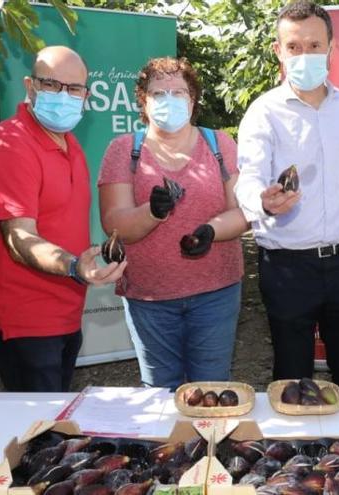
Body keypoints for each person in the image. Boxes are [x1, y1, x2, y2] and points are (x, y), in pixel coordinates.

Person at [234, 0, 339, 393]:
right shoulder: (263, 113)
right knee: (292, 381)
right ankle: (296, 452)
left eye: (314, 45)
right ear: (279, 51)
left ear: (331, 47)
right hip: (287, 268)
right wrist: (263, 202)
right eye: (294, 47)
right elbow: (248, 178)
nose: (305, 55)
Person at [0, 46, 126, 392]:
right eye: (52, 85)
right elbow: (19, 238)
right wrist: (74, 266)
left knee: (54, 428)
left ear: (86, 95)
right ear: (30, 87)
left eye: (74, 89)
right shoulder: (8, 144)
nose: (64, 96)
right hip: (23, 320)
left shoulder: (70, 144)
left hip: (64, 313)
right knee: (40, 436)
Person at [98, 57, 248, 391]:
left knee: (211, 389)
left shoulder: (220, 144)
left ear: (192, 100)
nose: (169, 99)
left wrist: (212, 231)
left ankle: (207, 444)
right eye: (158, 92)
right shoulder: (123, 150)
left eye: (178, 92)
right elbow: (114, 223)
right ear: (144, 101)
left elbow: (242, 211)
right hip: (149, 298)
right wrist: (151, 212)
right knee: (159, 392)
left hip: (216, 292)